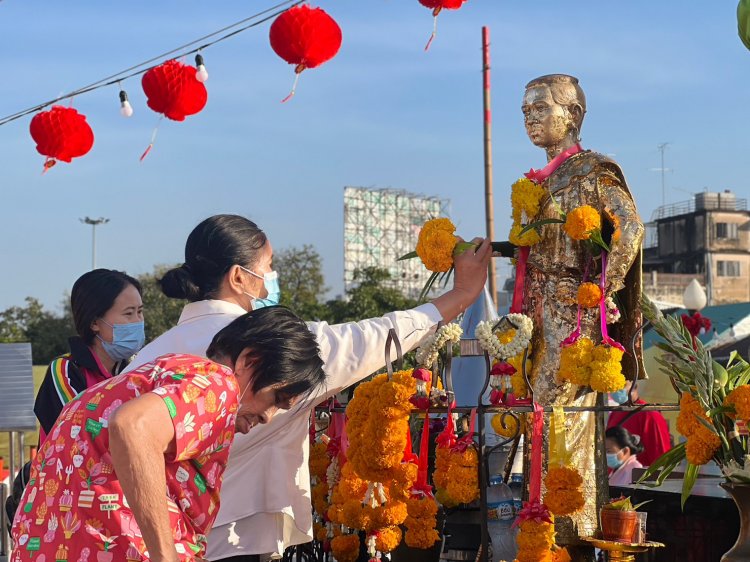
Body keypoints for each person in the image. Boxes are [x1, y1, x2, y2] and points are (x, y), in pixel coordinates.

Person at [128, 214, 492, 561]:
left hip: (141, 535)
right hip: (225, 538)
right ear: (239, 277)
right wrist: (461, 293)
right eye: (268, 265)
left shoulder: (146, 356)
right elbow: (377, 336)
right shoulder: (273, 349)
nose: (271, 276)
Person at [10, 307, 327, 562]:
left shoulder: (155, 376)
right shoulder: (217, 384)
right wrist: (166, 555)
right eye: (275, 399)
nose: (267, 417)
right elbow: (132, 428)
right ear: (250, 361)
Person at [518, 74, 645, 551]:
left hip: (574, 315)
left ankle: (569, 535)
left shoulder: (593, 171)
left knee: (564, 422)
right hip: (538, 314)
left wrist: (599, 289)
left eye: (540, 109)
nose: (530, 118)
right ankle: (541, 529)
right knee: (541, 421)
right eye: (525, 111)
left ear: (571, 115)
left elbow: (629, 229)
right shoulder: (541, 181)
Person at [35, 268, 145, 443]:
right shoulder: (66, 370)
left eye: (140, 311)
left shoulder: (139, 368)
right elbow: (79, 431)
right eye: (128, 313)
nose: (138, 321)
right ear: (94, 323)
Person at [608, 381, 671, 467]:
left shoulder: (650, 415)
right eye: (613, 385)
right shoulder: (614, 414)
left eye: (622, 384)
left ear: (634, 385)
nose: (617, 389)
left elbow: (662, 460)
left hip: (640, 478)